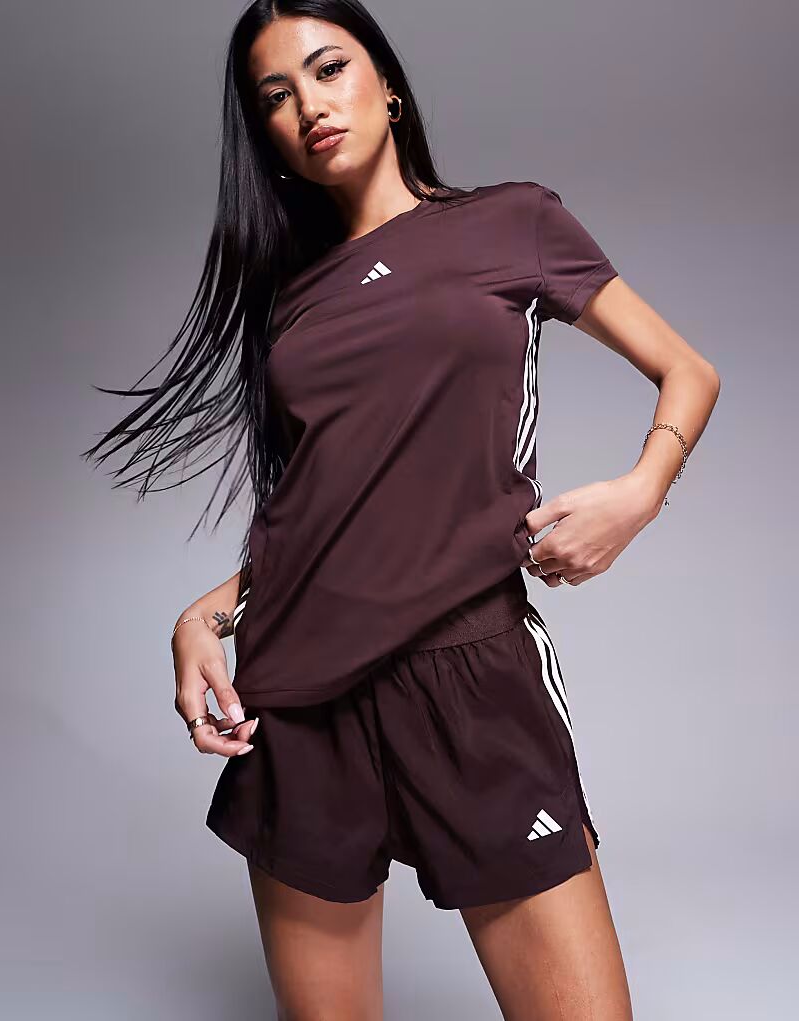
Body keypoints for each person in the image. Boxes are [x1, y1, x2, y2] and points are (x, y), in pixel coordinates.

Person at [82, 1, 721, 1017]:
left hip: (469, 671)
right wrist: (206, 612)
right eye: (275, 96)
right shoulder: (290, 300)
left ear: (385, 84)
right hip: (299, 703)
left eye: (328, 69)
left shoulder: (511, 222)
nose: (308, 106)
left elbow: (688, 370)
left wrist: (639, 492)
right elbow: (334, 506)